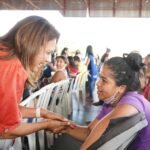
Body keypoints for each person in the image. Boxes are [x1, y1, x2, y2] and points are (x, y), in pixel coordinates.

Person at [0, 16, 74, 146]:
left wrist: (43, 113)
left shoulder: (5, 55)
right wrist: (46, 124)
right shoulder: (13, 66)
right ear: (31, 43)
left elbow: (6, 111)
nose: (49, 59)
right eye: (47, 52)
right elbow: (6, 130)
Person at [55, 52, 150, 150]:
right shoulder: (111, 102)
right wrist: (64, 127)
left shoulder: (131, 104)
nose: (98, 84)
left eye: (104, 80)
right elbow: (88, 133)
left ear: (121, 88)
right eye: (100, 78)